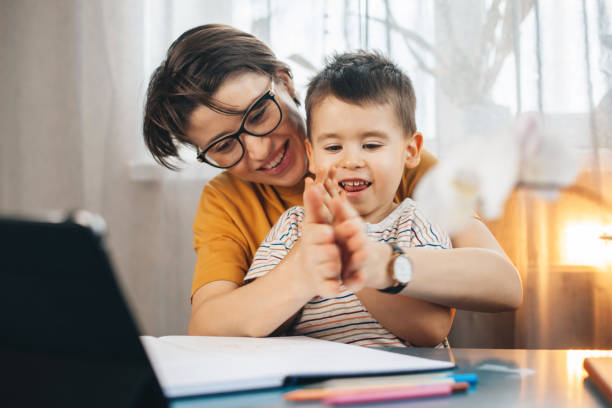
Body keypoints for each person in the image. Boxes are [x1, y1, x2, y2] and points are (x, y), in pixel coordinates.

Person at [142, 24, 522, 342]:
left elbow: (503, 285)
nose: (258, 150)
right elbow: (208, 325)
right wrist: (311, 263)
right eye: (225, 145)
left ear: (285, 81)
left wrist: (378, 264)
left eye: (258, 114)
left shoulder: (398, 166)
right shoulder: (228, 200)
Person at [244, 51, 453, 347]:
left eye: (370, 144)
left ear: (410, 151)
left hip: (400, 382)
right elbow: (260, 322)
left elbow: (431, 329)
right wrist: (309, 259)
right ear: (312, 156)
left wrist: (354, 259)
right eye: (332, 147)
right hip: (312, 383)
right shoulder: (293, 227)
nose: (351, 160)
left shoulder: (418, 223)